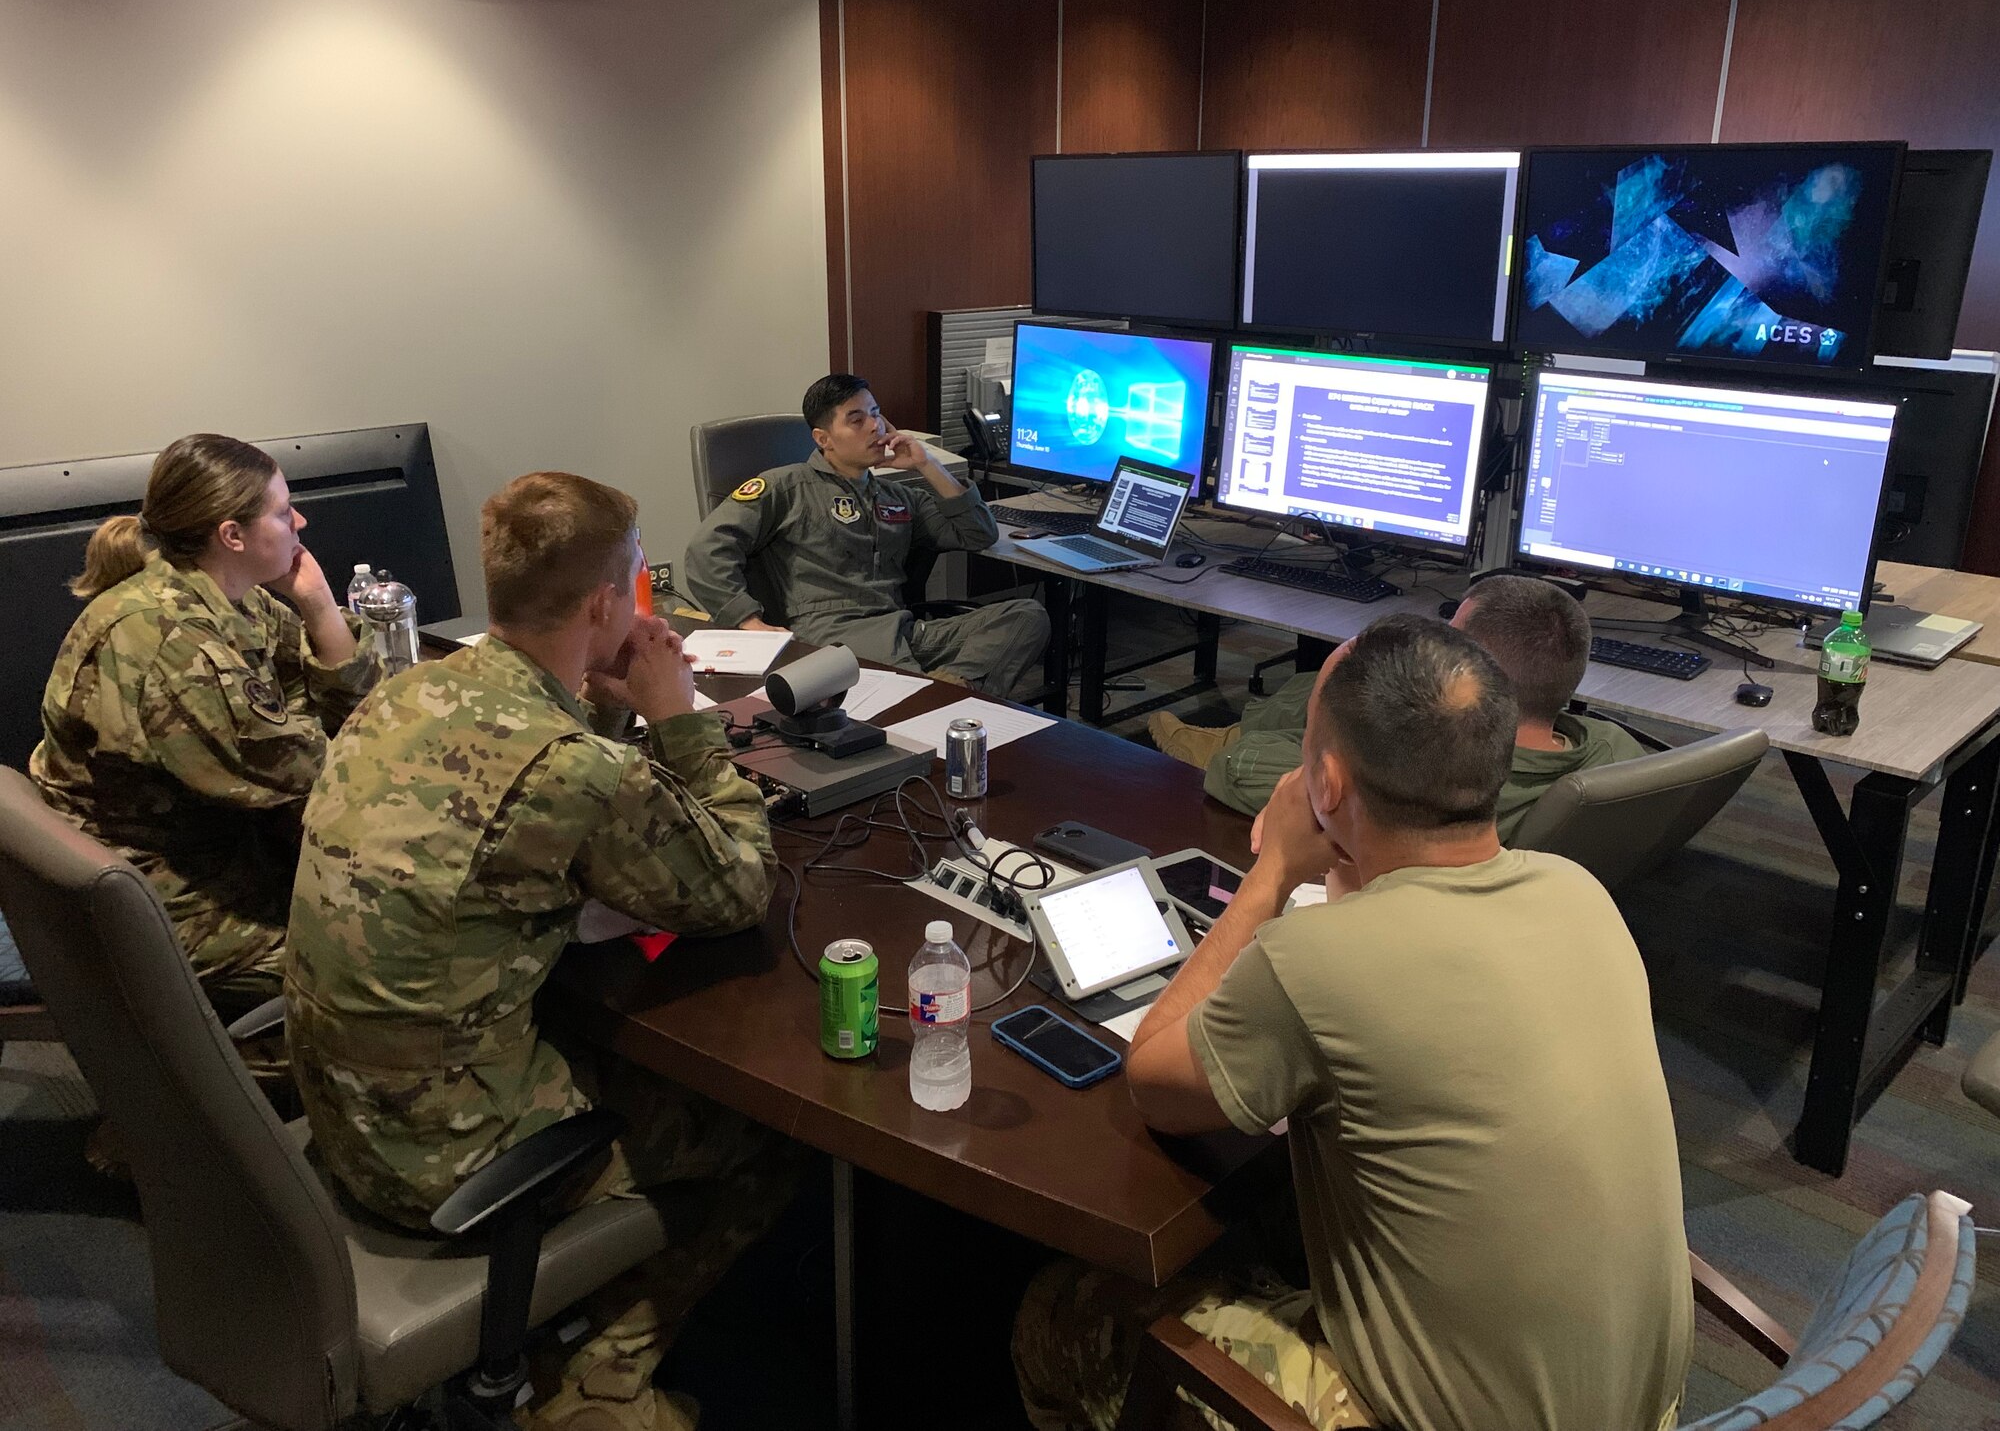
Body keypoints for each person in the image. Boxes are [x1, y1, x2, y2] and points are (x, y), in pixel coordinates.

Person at [1015, 614, 1692, 1431]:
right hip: (1641, 1402)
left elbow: (1155, 1079)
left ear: (1326, 785)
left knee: (1061, 1311)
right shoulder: (1579, 892)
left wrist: (1272, 876)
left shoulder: (1319, 961)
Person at [285, 471, 794, 1431]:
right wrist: (679, 719)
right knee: (763, 1134)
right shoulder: (572, 769)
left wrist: (602, 695)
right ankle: (591, 1383)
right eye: (639, 579)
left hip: (334, 1115)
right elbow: (735, 889)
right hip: (444, 1163)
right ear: (607, 600)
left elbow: (539, 808)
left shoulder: (411, 691)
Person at [31, 433, 378, 1090]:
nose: (300, 522)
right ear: (232, 534)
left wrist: (318, 602)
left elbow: (343, 710)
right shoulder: (177, 645)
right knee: (392, 954)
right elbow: (327, 783)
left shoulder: (217, 594)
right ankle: (184, 1093)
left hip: (211, 853)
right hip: (169, 905)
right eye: (283, 512)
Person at [1153, 574, 1646, 835]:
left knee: (1331, 702)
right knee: (1320, 692)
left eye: (1450, 643)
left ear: (1473, 675)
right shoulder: (1617, 752)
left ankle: (1224, 733)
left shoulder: (1430, 771)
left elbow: (1236, 771)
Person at [682, 373, 1050, 697]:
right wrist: (750, 622)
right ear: (823, 438)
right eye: (856, 420)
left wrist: (927, 463)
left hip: (903, 628)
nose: (874, 427)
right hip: (833, 638)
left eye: (875, 414)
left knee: (1027, 617)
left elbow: (978, 534)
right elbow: (706, 551)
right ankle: (938, 700)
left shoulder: (898, 497)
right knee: (908, 686)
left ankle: (949, 690)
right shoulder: (785, 487)